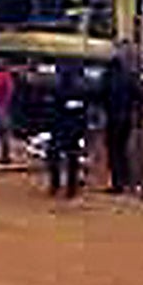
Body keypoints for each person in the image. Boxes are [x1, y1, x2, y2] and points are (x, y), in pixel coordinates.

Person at [45, 63, 88, 200]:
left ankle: (58, 184)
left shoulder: (59, 89)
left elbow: (53, 107)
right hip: (72, 126)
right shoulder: (81, 89)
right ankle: (69, 187)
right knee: (70, 156)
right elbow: (83, 109)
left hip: (62, 126)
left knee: (56, 154)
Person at [101, 54, 142, 194]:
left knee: (113, 152)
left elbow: (101, 95)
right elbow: (138, 95)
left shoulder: (107, 78)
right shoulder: (129, 78)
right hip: (127, 119)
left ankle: (117, 184)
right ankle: (127, 181)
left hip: (113, 119)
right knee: (123, 151)